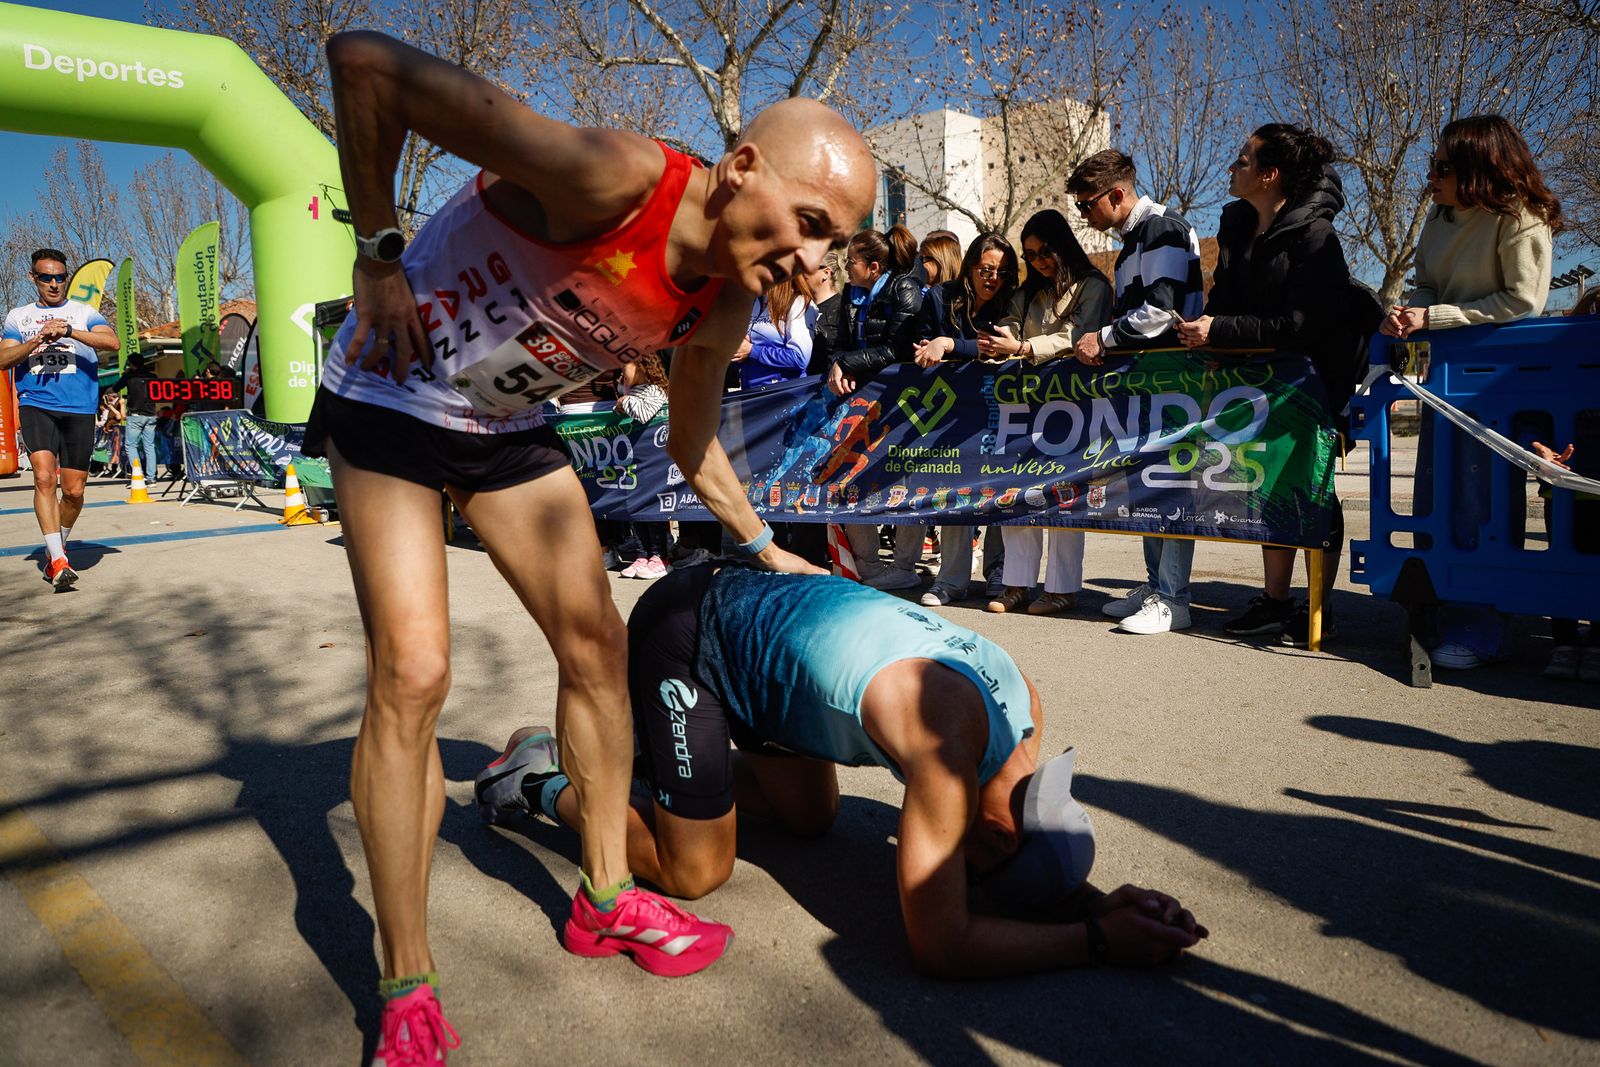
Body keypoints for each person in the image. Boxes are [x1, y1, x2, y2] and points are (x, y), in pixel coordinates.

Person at [310, 29, 875, 1059]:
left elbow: (691, 442)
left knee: (597, 646)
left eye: (831, 238)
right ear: (741, 165)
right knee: (415, 671)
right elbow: (365, 64)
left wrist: (762, 550)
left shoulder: (728, 295)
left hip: (502, 429)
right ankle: (405, 980)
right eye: (806, 221)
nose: (812, 256)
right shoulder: (613, 180)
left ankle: (607, 895)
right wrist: (377, 253)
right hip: (392, 394)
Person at [477, 565, 1209, 977]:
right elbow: (942, 944)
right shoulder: (945, 753)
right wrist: (1099, 940)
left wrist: (1095, 899)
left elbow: (1009, 843)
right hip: (692, 631)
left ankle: (662, 769)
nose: (953, 852)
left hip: (774, 653)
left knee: (811, 820)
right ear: (988, 835)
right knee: (694, 868)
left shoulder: (1021, 715)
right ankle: (543, 775)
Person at [1174, 124, 1374, 646]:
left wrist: (1219, 330)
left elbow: (1302, 324)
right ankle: (1276, 601)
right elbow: (1225, 294)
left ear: (1270, 173)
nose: (1231, 168)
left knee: (1311, 487)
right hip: (1260, 379)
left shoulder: (1317, 237)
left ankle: (1318, 605)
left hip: (1315, 381)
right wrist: (1212, 338)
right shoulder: (1238, 224)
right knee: (1271, 486)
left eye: (1242, 160)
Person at [1379, 115, 1560, 670]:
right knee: (1435, 499)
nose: (1430, 177)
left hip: (1505, 383)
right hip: (1448, 382)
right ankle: (1445, 610)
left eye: (1441, 167)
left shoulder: (1520, 219)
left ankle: (1480, 629)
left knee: (1480, 503)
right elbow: (1428, 282)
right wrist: (1410, 311)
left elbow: (1523, 302)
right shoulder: (1439, 218)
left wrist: (1434, 315)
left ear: (1479, 169)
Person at [1068, 150, 1204, 635]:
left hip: (1174, 377)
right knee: (1151, 485)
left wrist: (1101, 338)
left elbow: (1161, 312)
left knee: (1171, 484)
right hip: (1148, 380)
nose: (1084, 216)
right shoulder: (1134, 240)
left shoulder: (1162, 228)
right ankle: (1155, 587)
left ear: (1117, 194)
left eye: (1087, 205)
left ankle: (1173, 598)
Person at [981, 209, 1112, 615]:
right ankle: (1017, 584)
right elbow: (1008, 326)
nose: (1038, 261)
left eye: (1044, 251)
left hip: (1076, 403)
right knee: (1018, 491)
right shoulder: (1027, 293)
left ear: (1063, 245)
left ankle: (1062, 588)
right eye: (1030, 254)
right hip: (1023, 406)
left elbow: (1078, 337)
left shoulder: (1094, 286)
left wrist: (1022, 348)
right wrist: (1004, 338)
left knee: (1066, 494)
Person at [903, 233, 1021, 608]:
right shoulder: (939, 298)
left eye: (1002, 272)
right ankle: (950, 579)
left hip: (1000, 408)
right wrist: (937, 344)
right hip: (951, 412)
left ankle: (1000, 576)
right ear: (971, 266)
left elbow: (998, 348)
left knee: (1003, 490)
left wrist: (951, 344)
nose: (993, 279)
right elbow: (921, 348)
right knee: (954, 487)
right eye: (986, 270)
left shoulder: (1010, 301)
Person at [0, 248, 120, 587]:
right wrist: (38, 338)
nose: (54, 284)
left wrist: (67, 331)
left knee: (74, 491)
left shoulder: (82, 311)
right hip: (36, 404)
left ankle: (58, 544)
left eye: (59, 277)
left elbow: (112, 342)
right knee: (43, 478)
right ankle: (58, 559)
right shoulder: (18, 317)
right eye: (46, 278)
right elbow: (3, 358)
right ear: (33, 278)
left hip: (79, 408)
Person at [820, 228, 926, 591]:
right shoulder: (852, 293)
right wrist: (839, 363)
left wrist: (848, 362)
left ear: (874, 267)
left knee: (904, 478)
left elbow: (899, 349)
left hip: (901, 403)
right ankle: (868, 565)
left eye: (851, 262)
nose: (846, 268)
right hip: (859, 403)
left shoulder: (904, 289)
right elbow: (841, 343)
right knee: (853, 477)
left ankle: (905, 565)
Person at [616, 353, 673, 580]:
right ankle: (643, 554)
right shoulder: (632, 392)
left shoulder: (656, 390)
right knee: (634, 507)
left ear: (640, 367)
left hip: (655, 461)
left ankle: (660, 557)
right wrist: (623, 402)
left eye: (625, 367)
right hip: (634, 461)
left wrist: (625, 402)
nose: (621, 374)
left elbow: (643, 413)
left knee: (652, 508)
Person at [736, 275, 815, 391]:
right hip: (751, 394)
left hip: (783, 396)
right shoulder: (755, 302)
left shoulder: (798, 302)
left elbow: (800, 359)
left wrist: (752, 351)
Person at [111, 351, 161, 484]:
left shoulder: (129, 377)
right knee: (149, 446)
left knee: (131, 446)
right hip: (151, 415)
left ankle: (138, 475)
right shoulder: (153, 376)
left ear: (131, 364)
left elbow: (115, 388)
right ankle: (152, 478)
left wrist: (125, 374)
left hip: (135, 416)